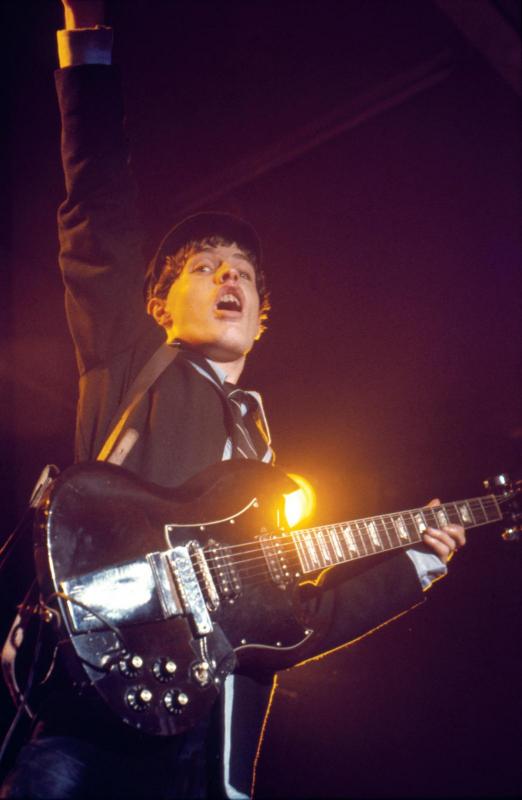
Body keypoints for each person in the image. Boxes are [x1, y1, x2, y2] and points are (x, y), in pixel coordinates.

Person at [0, 1, 466, 797]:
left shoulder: (264, 465)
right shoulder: (132, 361)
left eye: (242, 273)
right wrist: (88, 52)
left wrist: (416, 562)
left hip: (204, 749)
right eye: (203, 266)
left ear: (258, 318)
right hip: (92, 713)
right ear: (158, 304)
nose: (227, 277)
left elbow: (292, 625)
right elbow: (98, 214)